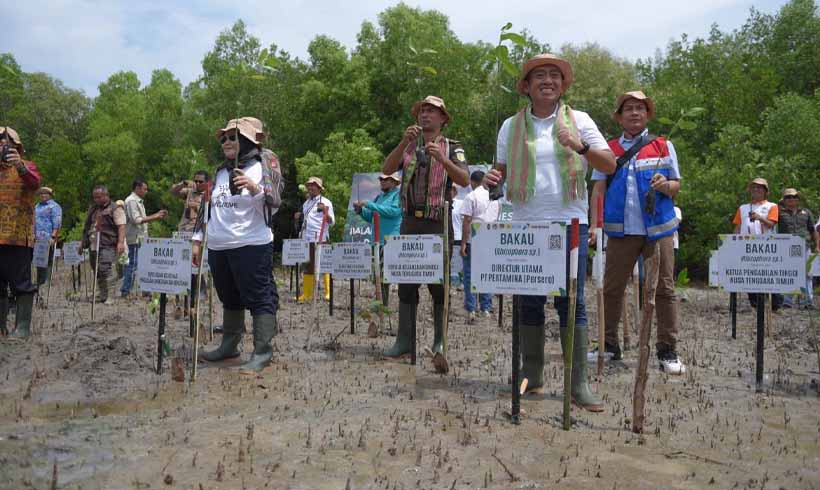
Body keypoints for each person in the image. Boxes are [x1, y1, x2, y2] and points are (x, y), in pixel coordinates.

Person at [485, 54, 616, 411]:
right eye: (539, 75)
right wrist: (492, 178)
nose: (548, 80)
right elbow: (499, 173)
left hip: (570, 222)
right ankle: (533, 376)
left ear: (563, 85)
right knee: (529, 303)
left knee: (571, 304)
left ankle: (578, 384)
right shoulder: (510, 127)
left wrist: (581, 146)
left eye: (554, 76)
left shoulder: (581, 121)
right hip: (526, 224)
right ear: (526, 87)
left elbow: (610, 164)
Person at [589, 91, 684, 374]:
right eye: (628, 109)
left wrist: (665, 185)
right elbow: (598, 188)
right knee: (611, 288)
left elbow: (677, 185)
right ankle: (608, 345)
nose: (634, 113)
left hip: (658, 230)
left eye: (640, 109)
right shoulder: (607, 149)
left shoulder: (663, 146)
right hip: (620, 231)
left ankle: (667, 350)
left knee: (664, 289)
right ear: (618, 117)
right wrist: (595, 224)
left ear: (647, 114)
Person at [381, 95, 469, 360]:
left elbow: (464, 179)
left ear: (443, 119)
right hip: (410, 222)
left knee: (438, 284)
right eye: (422, 110)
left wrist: (442, 159)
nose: (425, 115)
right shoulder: (409, 146)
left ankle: (439, 343)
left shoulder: (453, 147)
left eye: (432, 111)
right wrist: (403, 142)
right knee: (407, 282)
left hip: (438, 223)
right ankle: (404, 341)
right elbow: (386, 169)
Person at [192, 117, 281, 372]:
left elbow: (274, 208)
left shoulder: (264, 167)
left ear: (247, 140)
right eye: (224, 138)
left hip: (251, 244)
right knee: (229, 296)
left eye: (233, 137)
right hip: (219, 246)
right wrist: (198, 240)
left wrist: (254, 189)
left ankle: (262, 352)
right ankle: (229, 345)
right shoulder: (221, 171)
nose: (226, 142)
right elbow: (206, 207)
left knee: (259, 296)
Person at [0, 127, 41, 339]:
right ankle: (1, 328)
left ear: (16, 147)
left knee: (21, 284)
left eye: (5, 143)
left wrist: (20, 167)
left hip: (18, 237)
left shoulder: (27, 166)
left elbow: (35, 184)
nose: (1, 146)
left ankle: (22, 327)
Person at [733, 177, 782, 310]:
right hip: (746, 246)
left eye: (759, 187)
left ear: (765, 191)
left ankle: (775, 305)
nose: (756, 190)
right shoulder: (743, 208)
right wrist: (733, 243)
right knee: (749, 274)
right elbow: (737, 227)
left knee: (770, 274)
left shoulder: (772, 206)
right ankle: (755, 304)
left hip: (766, 247)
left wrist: (760, 218)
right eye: (754, 187)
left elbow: (771, 224)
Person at [354, 172, 402, 307]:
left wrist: (369, 204)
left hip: (390, 241)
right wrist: (360, 211)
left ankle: (383, 305)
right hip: (377, 241)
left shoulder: (398, 195)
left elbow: (393, 212)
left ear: (394, 182)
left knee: (385, 275)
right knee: (378, 275)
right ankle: (380, 304)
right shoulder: (379, 197)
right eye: (381, 179)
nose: (382, 181)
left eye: (385, 179)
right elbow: (370, 217)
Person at [460, 170, 499, 322]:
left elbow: (467, 221)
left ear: (472, 182)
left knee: (470, 275)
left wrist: (463, 243)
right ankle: (486, 308)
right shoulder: (495, 198)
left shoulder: (471, 196)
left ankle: (471, 308)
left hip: (473, 240)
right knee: (486, 274)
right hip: (489, 239)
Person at [121, 178, 167, 297]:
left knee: (143, 264)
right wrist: (156, 216)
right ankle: (126, 291)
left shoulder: (139, 201)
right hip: (134, 238)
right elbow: (136, 220)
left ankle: (145, 290)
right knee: (132, 264)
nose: (146, 191)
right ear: (137, 188)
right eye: (144, 189)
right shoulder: (131, 201)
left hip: (141, 238)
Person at [171, 171, 210, 314]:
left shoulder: (209, 195)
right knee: (180, 267)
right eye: (196, 181)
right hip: (183, 232)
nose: (198, 184)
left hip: (198, 235)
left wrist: (198, 206)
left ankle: (197, 300)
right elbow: (173, 192)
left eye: (201, 181)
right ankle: (182, 303)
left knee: (196, 269)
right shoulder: (190, 192)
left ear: (207, 182)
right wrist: (184, 183)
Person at [81, 185, 126, 304]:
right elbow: (87, 226)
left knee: (106, 268)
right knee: (97, 270)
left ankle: (110, 296)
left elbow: (121, 226)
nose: (96, 199)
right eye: (95, 197)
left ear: (106, 195)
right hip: (93, 243)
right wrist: (82, 243)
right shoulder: (93, 208)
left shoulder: (115, 208)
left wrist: (120, 242)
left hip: (108, 243)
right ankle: (102, 294)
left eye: (99, 197)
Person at [777, 188, 819, 308]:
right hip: (785, 247)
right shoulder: (779, 213)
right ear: (783, 200)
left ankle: (807, 301)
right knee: (787, 273)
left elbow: (813, 230)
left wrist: (817, 245)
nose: (791, 199)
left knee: (807, 273)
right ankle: (787, 301)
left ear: (798, 199)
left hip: (804, 246)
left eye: (794, 196)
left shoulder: (806, 212)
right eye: (788, 197)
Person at [296, 177, 335, 302]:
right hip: (307, 237)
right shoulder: (306, 203)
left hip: (321, 237)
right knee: (308, 265)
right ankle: (307, 294)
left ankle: (328, 293)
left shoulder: (326, 202)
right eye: (309, 185)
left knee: (325, 264)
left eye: (314, 185)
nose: (311, 187)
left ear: (319, 188)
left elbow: (332, 222)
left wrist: (325, 212)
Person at [34, 187, 62, 286]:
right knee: (39, 259)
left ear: (50, 195)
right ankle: (39, 281)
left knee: (48, 259)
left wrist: (54, 236)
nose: (43, 195)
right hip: (37, 237)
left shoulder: (54, 206)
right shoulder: (37, 206)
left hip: (48, 237)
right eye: (41, 194)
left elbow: (57, 222)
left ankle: (47, 281)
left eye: (45, 193)